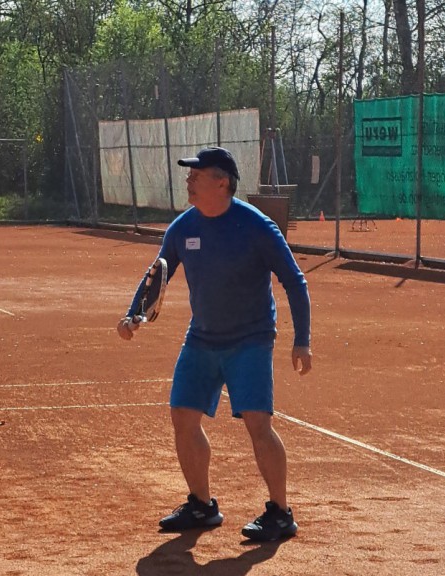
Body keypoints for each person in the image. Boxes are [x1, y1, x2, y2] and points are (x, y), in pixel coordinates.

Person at [116, 146, 312, 541]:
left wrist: (302, 340)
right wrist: (134, 313)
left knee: (258, 423)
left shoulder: (257, 227)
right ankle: (202, 506)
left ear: (221, 183)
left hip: (251, 339)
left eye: (197, 175)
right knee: (183, 417)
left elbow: (294, 281)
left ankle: (280, 512)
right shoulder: (183, 227)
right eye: (189, 175)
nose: (188, 180)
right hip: (202, 337)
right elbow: (158, 273)